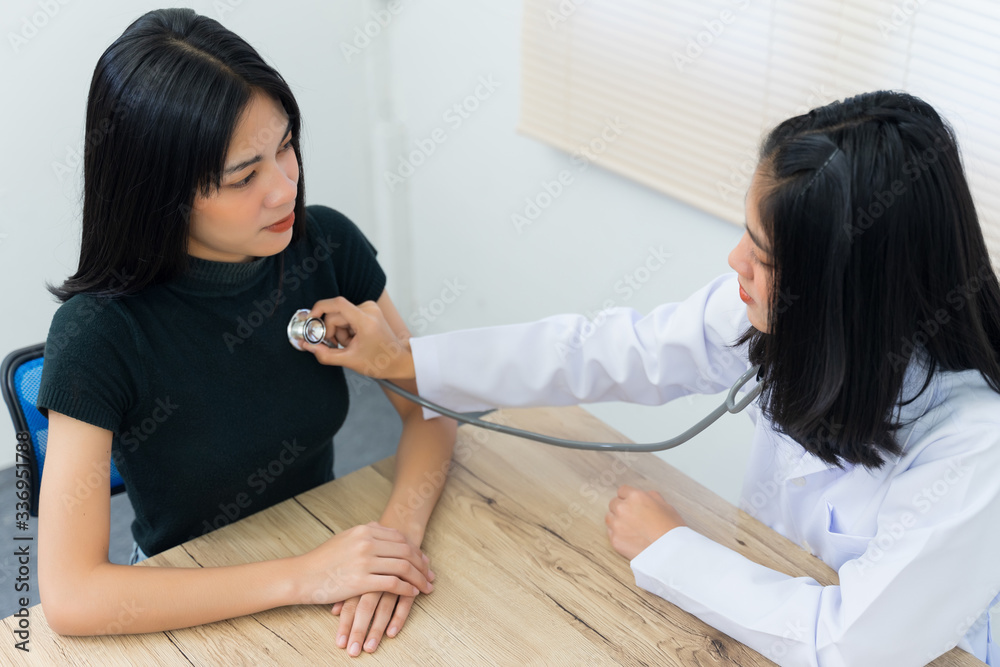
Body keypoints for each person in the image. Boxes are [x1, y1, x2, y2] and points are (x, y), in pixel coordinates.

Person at [301, 91, 1000, 666]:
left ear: (843, 292)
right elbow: (609, 350)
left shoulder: (976, 451)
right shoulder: (795, 316)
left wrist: (670, 546)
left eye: (761, 254)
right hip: (761, 595)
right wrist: (405, 359)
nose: (734, 263)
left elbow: (847, 641)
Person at [35, 8, 456, 658]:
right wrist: (305, 576)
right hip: (193, 605)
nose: (285, 186)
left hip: (333, 557)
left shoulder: (325, 245)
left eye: (286, 145)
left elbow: (430, 411)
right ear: (160, 195)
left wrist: (392, 542)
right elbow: (72, 596)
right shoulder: (98, 335)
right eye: (244, 176)